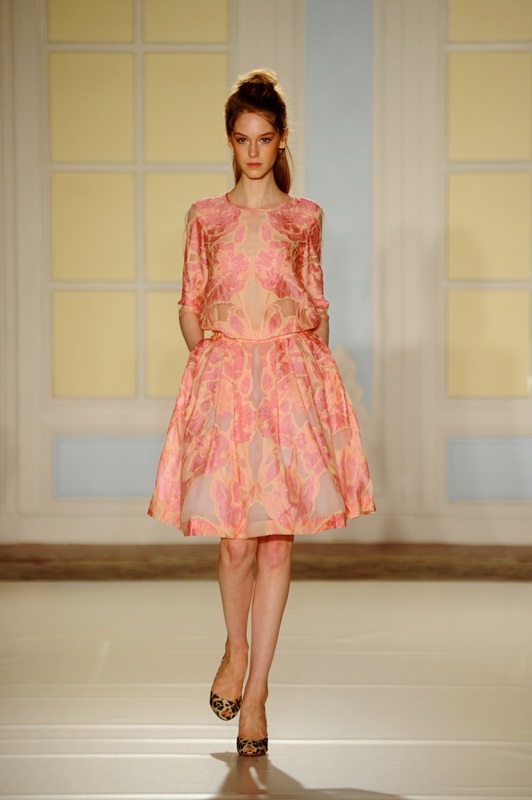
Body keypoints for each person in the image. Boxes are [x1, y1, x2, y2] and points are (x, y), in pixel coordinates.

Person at [148, 69, 375, 757]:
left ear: (281, 141)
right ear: (230, 140)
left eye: (265, 139)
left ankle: (257, 693)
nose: (253, 151)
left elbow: (317, 305)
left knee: (277, 540)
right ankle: (236, 648)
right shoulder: (206, 218)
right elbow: (190, 302)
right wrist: (209, 365)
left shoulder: (305, 218)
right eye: (243, 139)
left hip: (288, 381)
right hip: (224, 382)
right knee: (234, 539)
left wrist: (316, 394)